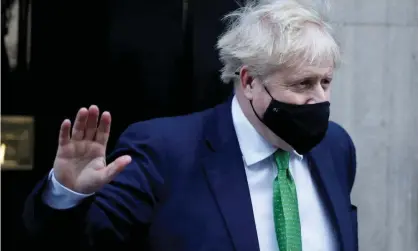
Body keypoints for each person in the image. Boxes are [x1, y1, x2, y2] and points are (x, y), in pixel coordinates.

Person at [23, 1, 358, 251]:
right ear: (250, 81)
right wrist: (69, 194)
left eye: (325, 82)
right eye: (302, 84)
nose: (319, 99)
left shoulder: (335, 147)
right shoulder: (164, 152)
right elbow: (85, 240)